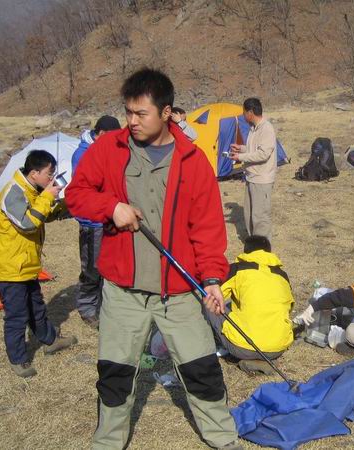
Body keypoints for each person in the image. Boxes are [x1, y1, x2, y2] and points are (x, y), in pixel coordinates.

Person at [65, 68, 241, 450]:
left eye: (140, 113)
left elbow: (208, 229)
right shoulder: (109, 148)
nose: (131, 121)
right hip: (122, 292)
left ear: (166, 112)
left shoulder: (193, 161)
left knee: (202, 370)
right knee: (114, 374)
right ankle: (108, 443)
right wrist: (111, 207)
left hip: (178, 293)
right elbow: (76, 194)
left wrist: (212, 279)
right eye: (128, 112)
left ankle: (224, 439)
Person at [0, 150, 77, 378]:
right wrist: (47, 197)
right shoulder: (13, 192)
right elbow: (27, 223)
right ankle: (18, 359)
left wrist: (63, 203)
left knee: (36, 307)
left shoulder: (31, 190)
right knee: (17, 315)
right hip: (10, 269)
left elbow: (42, 215)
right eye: (49, 173)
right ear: (35, 172)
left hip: (25, 265)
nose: (52, 178)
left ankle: (50, 341)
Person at [205, 235, 294, 375]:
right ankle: (261, 359)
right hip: (278, 348)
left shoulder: (238, 269)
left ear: (246, 251)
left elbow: (215, 294)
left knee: (209, 301)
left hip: (243, 347)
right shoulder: (282, 275)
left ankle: (222, 347)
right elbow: (289, 308)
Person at [71, 115, 121, 328]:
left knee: (109, 265)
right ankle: (87, 308)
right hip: (92, 222)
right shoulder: (82, 154)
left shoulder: (107, 148)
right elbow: (82, 191)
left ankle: (106, 306)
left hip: (108, 219)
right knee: (92, 267)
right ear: (100, 133)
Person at [229, 98, 277, 241]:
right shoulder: (253, 128)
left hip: (262, 179)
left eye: (244, 112)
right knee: (249, 214)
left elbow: (263, 154)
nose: (243, 116)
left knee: (260, 217)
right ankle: (253, 243)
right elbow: (254, 149)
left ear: (250, 112)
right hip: (251, 177)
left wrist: (240, 157)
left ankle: (262, 247)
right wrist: (241, 149)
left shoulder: (266, 129)